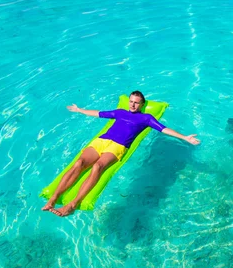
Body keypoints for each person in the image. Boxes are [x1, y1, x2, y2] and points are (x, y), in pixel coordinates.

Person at [42, 90, 200, 217]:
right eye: (131, 101)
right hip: (102, 140)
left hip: (118, 146)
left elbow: (163, 128)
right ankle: (54, 198)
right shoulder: (120, 112)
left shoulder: (146, 118)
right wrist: (79, 110)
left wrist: (184, 137)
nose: (132, 104)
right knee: (79, 163)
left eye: (136, 102)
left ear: (142, 104)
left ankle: (72, 204)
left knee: (98, 166)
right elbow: (99, 113)